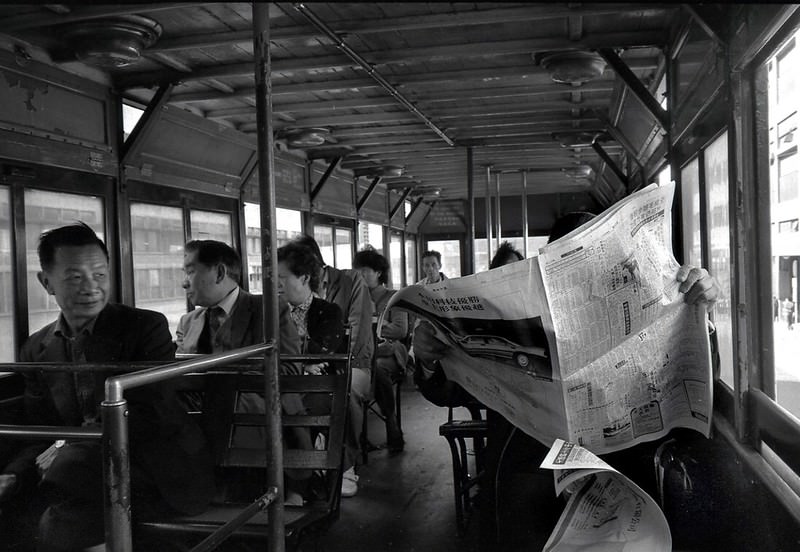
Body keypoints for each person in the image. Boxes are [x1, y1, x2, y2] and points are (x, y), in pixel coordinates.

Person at [413, 211, 721, 549]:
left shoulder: (642, 308)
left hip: (622, 471)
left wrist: (697, 314)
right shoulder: (513, 319)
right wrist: (428, 357)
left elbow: (693, 383)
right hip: (530, 471)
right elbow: (450, 390)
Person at [0, 223, 214, 552]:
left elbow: (147, 412)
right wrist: (14, 473)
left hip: (156, 472)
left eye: (100, 275)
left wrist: (66, 447)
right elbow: (40, 430)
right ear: (46, 283)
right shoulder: (36, 349)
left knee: (60, 501)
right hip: (79, 476)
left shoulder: (145, 327)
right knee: (33, 508)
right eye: (75, 277)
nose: (91, 288)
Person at [175, 239, 307, 505]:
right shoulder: (188, 323)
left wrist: (221, 378)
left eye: (190, 271)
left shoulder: (267, 310)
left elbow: (290, 370)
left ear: (220, 272)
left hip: (258, 423)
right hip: (204, 428)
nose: (184, 282)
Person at [289, 235, 373, 498]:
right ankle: (304, 462)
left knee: (346, 391)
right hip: (309, 364)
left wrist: (327, 361)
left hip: (351, 361)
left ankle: (345, 461)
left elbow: (356, 329)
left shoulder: (350, 281)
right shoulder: (289, 296)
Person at [353, 249, 408, 453]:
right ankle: (356, 434)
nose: (361, 275)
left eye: (365, 271)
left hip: (389, 352)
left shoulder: (393, 297)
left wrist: (371, 328)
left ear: (378, 273)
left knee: (377, 370)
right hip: (363, 352)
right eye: (358, 271)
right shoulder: (356, 298)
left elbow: (400, 329)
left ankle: (391, 423)